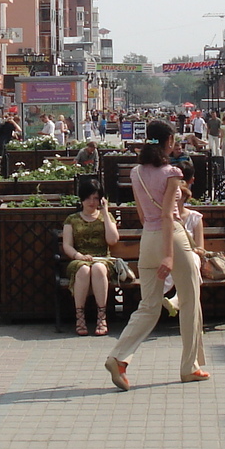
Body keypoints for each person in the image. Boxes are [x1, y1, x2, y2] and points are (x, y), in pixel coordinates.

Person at [104, 121, 207, 389]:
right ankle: (189, 366)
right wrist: (169, 256)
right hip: (170, 236)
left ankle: (119, 356)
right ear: (169, 140)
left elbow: (141, 214)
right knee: (189, 298)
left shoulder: (137, 172)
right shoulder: (172, 173)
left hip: (146, 238)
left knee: (148, 306)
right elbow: (166, 215)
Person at [62, 179, 120, 336]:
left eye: (95, 198)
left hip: (102, 260)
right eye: (88, 198)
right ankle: (80, 317)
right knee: (83, 270)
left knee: (98, 268)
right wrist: (79, 255)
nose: (91, 202)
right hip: (79, 259)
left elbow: (113, 240)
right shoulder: (72, 219)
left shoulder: (105, 218)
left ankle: (102, 317)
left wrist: (106, 213)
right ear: (81, 198)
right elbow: (67, 245)